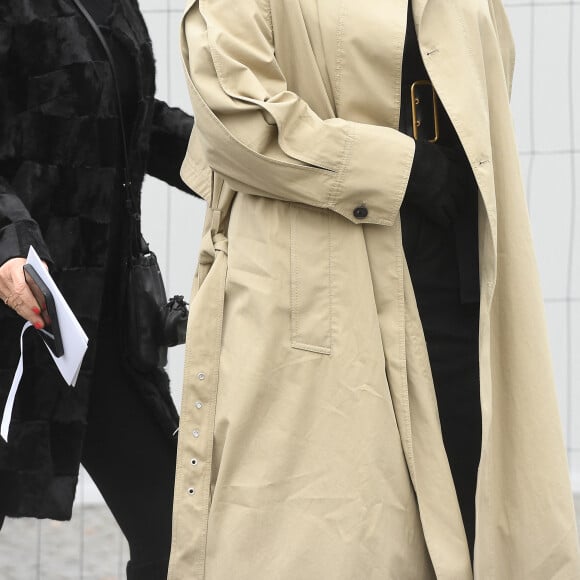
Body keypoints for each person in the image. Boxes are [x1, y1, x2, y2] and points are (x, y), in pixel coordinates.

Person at [168, 0, 580, 578]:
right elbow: (234, 113)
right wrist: (398, 169)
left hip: (453, 271)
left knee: (472, 504)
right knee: (336, 531)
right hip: (320, 291)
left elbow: (490, 68)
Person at [0, 1, 198, 578]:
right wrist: (10, 242)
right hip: (16, 310)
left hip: (93, 328)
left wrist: (247, 167)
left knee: (179, 535)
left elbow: (135, 121)